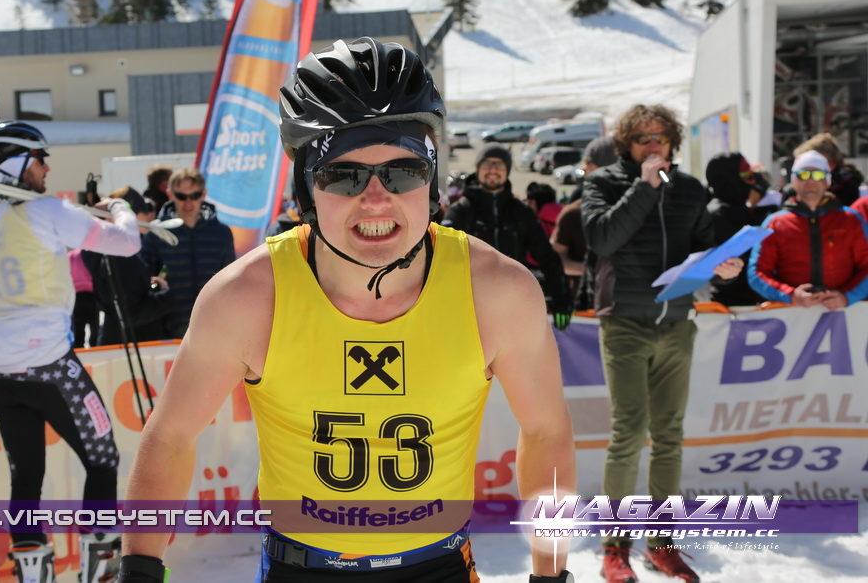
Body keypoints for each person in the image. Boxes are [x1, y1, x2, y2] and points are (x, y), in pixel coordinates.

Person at [119, 37, 576, 583]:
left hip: (439, 568)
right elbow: (170, 436)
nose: (377, 199)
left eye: (404, 171)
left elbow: (546, 431)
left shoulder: (497, 290)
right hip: (301, 571)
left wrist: (552, 575)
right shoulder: (246, 296)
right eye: (343, 174)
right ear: (306, 190)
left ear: (432, 180)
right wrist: (140, 570)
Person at [0, 121, 142, 583]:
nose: (47, 169)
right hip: (51, 365)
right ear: (18, 164)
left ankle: (33, 573)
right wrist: (121, 208)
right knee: (103, 459)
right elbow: (127, 242)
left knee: (26, 476)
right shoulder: (50, 211)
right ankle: (100, 566)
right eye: (40, 160)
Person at [581, 104, 742, 583]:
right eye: (644, 138)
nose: (654, 146)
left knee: (669, 435)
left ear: (673, 142)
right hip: (625, 322)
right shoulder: (604, 183)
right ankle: (615, 548)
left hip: (676, 322)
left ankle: (662, 544)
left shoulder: (689, 188)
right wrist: (644, 188)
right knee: (629, 433)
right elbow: (601, 239)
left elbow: (703, 246)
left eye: (661, 138)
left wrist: (722, 266)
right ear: (627, 144)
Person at [442, 143, 574, 329]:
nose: (493, 170)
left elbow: (547, 257)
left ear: (507, 171)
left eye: (499, 165)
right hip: (471, 309)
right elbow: (441, 258)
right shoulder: (461, 211)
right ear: (478, 169)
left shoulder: (521, 212)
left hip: (512, 306)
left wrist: (561, 298)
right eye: (487, 164)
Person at [748, 150, 868, 309]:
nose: (810, 181)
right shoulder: (776, 222)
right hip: (791, 314)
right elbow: (757, 273)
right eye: (803, 175)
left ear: (827, 181)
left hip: (845, 313)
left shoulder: (850, 219)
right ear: (793, 181)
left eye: (818, 175)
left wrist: (847, 296)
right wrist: (790, 295)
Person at [139, 167, 235, 338]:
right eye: (181, 196)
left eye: (195, 195)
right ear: (170, 194)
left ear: (203, 194)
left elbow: (231, 282)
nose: (188, 202)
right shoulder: (156, 233)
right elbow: (144, 281)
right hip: (167, 331)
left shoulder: (221, 233)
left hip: (214, 327)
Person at [83, 186, 172, 345]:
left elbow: (122, 296)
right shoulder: (121, 253)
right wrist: (165, 296)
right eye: (144, 211)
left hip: (117, 340)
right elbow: (130, 313)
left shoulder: (103, 248)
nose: (149, 216)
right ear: (129, 216)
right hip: (132, 343)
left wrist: (149, 286)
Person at [704, 152, 778, 307]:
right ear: (730, 177)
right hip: (734, 304)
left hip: (754, 300)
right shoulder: (719, 214)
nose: (752, 180)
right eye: (746, 175)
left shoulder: (742, 209)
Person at [550, 136, 617, 310]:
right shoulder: (573, 213)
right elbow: (555, 261)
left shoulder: (638, 209)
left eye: (588, 163)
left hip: (627, 309)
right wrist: (591, 270)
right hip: (586, 308)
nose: (584, 169)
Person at [793, 133, 863, 206]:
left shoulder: (849, 187)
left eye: (814, 163)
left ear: (831, 163)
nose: (810, 181)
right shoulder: (793, 191)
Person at [70, 249, 99, 348]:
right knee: (94, 326)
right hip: (92, 294)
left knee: (78, 327)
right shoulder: (92, 254)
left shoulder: (71, 256)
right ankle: (95, 348)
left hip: (77, 296)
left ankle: (79, 349)